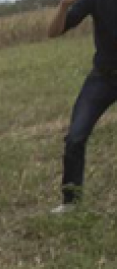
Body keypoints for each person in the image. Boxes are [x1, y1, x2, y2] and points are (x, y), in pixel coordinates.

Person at [47, 0, 117, 213]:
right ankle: (71, 202)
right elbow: (53, 32)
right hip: (103, 78)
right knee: (75, 137)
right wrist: (63, 7)